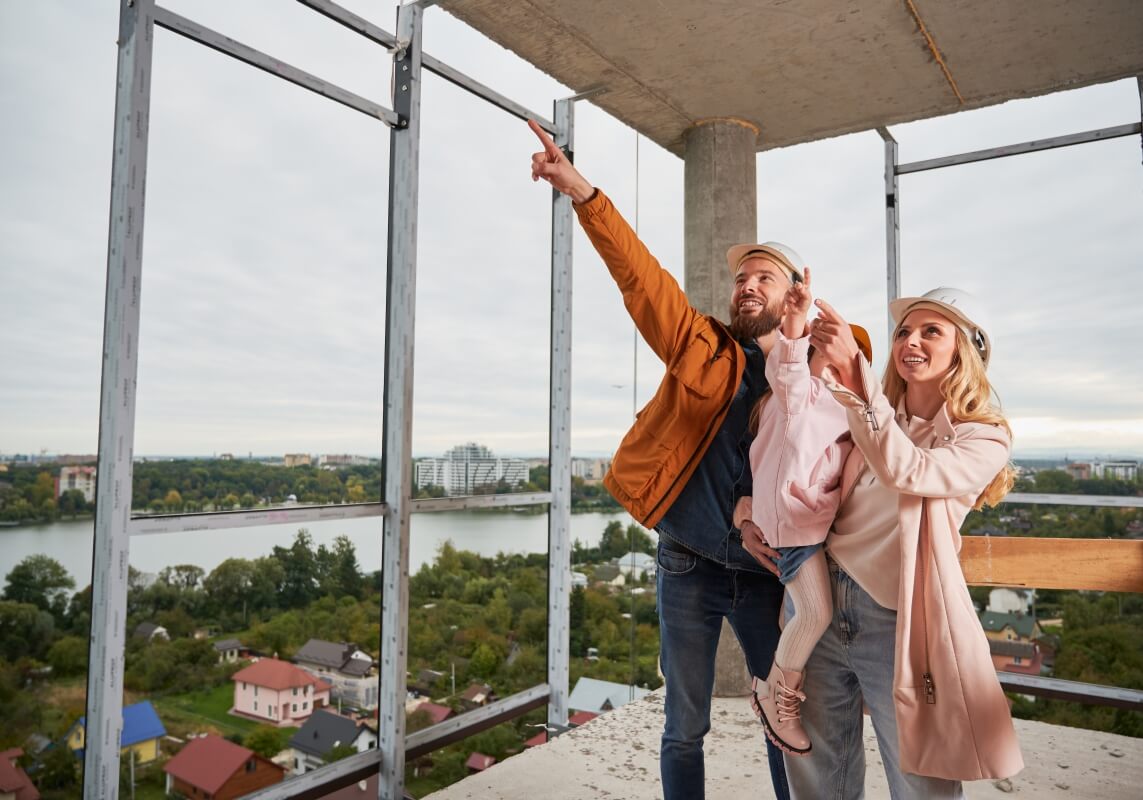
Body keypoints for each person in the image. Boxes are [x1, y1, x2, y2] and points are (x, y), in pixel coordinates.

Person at [528, 118, 790, 800]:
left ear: (793, 295)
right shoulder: (702, 345)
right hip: (688, 563)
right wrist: (583, 192)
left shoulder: (814, 371)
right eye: (741, 278)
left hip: (768, 574)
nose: (746, 285)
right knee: (684, 725)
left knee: (786, 718)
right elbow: (641, 279)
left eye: (763, 276)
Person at [783, 287, 1024, 798]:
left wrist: (856, 376)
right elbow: (799, 460)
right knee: (818, 770)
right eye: (903, 332)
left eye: (931, 331)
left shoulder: (984, 437)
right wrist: (745, 510)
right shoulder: (867, 409)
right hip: (820, 603)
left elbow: (907, 470)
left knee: (920, 781)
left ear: (965, 349)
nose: (910, 341)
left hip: (896, 622)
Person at [730, 269, 872, 756]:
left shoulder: (839, 405)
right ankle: (774, 694)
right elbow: (788, 373)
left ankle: (778, 690)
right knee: (814, 612)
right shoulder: (798, 393)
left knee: (804, 615)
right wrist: (794, 323)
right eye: (824, 350)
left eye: (846, 355)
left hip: (800, 525)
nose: (832, 361)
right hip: (793, 528)